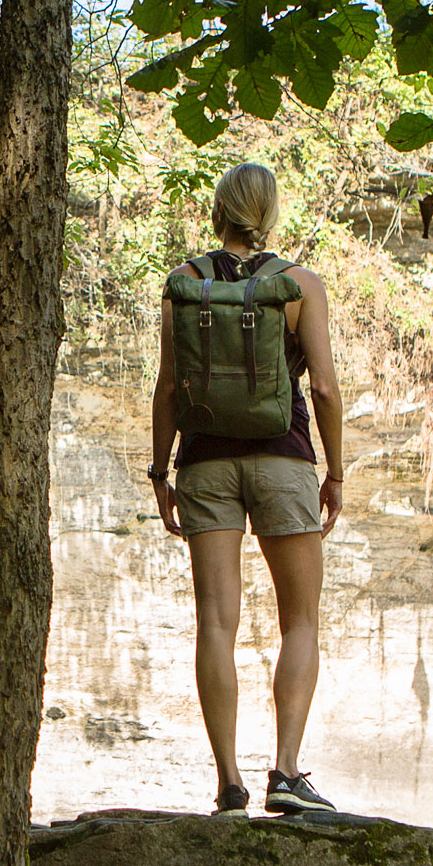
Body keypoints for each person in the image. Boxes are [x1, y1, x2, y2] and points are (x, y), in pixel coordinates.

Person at [148, 161, 344, 814]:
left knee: (216, 623)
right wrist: (334, 472)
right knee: (300, 621)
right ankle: (285, 773)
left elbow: (170, 387)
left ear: (219, 210)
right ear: (270, 212)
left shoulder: (185, 284)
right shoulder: (298, 285)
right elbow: (321, 388)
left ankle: (228, 780)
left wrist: (159, 471)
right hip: (283, 461)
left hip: (204, 465)